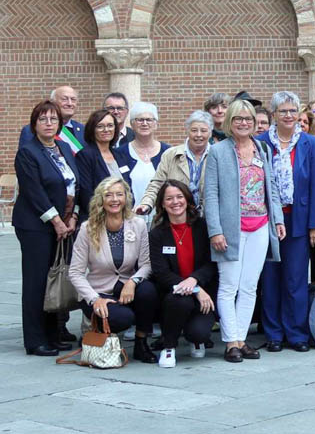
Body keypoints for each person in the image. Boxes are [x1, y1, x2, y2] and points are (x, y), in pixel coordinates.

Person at [204, 98, 286, 363]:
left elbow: (271, 187)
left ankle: (241, 338)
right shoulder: (218, 151)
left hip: (261, 225)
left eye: (248, 119)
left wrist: (277, 221)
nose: (243, 123)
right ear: (230, 122)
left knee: (249, 286)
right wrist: (215, 230)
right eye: (238, 118)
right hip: (231, 228)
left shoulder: (262, 148)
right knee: (229, 285)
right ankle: (230, 342)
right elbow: (211, 193)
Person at [14, 100, 81, 356]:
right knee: (37, 281)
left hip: (65, 224)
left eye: (53, 119)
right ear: (34, 124)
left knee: (57, 277)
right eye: (43, 119)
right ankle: (35, 339)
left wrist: (73, 217)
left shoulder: (63, 148)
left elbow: (76, 185)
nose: (49, 123)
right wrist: (56, 221)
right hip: (36, 226)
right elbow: (34, 191)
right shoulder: (28, 152)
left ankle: (54, 334)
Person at [260, 91, 315, 352]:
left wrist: (314, 225)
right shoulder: (261, 142)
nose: (288, 116)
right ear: (273, 114)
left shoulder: (309, 143)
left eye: (292, 111)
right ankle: (274, 334)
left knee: (296, 279)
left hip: (298, 220)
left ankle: (297, 334)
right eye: (283, 111)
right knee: (271, 278)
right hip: (268, 220)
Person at [69, 176, 158, 363]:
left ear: (126, 197)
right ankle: (100, 333)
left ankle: (141, 344)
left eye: (119, 194)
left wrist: (133, 282)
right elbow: (75, 273)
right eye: (108, 195)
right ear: (101, 199)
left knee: (148, 291)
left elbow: (146, 264)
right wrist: (95, 299)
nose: (114, 199)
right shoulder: (87, 228)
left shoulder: (138, 224)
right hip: (98, 291)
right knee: (124, 318)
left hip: (125, 287)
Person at [149, 181, 217, 367]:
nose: (175, 202)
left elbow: (212, 263)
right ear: (162, 204)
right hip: (175, 293)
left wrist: (196, 281)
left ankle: (196, 340)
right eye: (169, 198)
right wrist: (193, 288)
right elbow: (160, 272)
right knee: (178, 301)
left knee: (198, 333)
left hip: (204, 292)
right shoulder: (157, 234)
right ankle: (169, 347)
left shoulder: (203, 227)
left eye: (179, 197)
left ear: (187, 200)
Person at [139, 111, 213, 214]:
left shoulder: (217, 156)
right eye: (194, 130)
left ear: (210, 132)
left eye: (204, 131)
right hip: (175, 217)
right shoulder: (171, 154)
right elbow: (157, 183)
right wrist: (146, 203)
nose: (198, 135)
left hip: (207, 220)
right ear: (187, 131)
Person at [120, 102, 171, 220]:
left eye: (149, 120)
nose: (144, 123)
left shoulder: (168, 152)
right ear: (132, 124)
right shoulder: (120, 153)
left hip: (162, 220)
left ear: (156, 124)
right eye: (139, 120)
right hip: (129, 219)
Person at [74, 108, 123, 220]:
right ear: (92, 129)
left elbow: (128, 187)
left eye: (110, 125)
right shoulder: (85, 155)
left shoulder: (119, 155)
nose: (106, 130)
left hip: (121, 217)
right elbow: (86, 194)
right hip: (97, 219)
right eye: (100, 126)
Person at [18, 86, 84, 153]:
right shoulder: (30, 130)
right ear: (53, 102)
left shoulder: (83, 129)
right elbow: (26, 158)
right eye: (64, 99)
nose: (70, 103)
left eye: (73, 99)